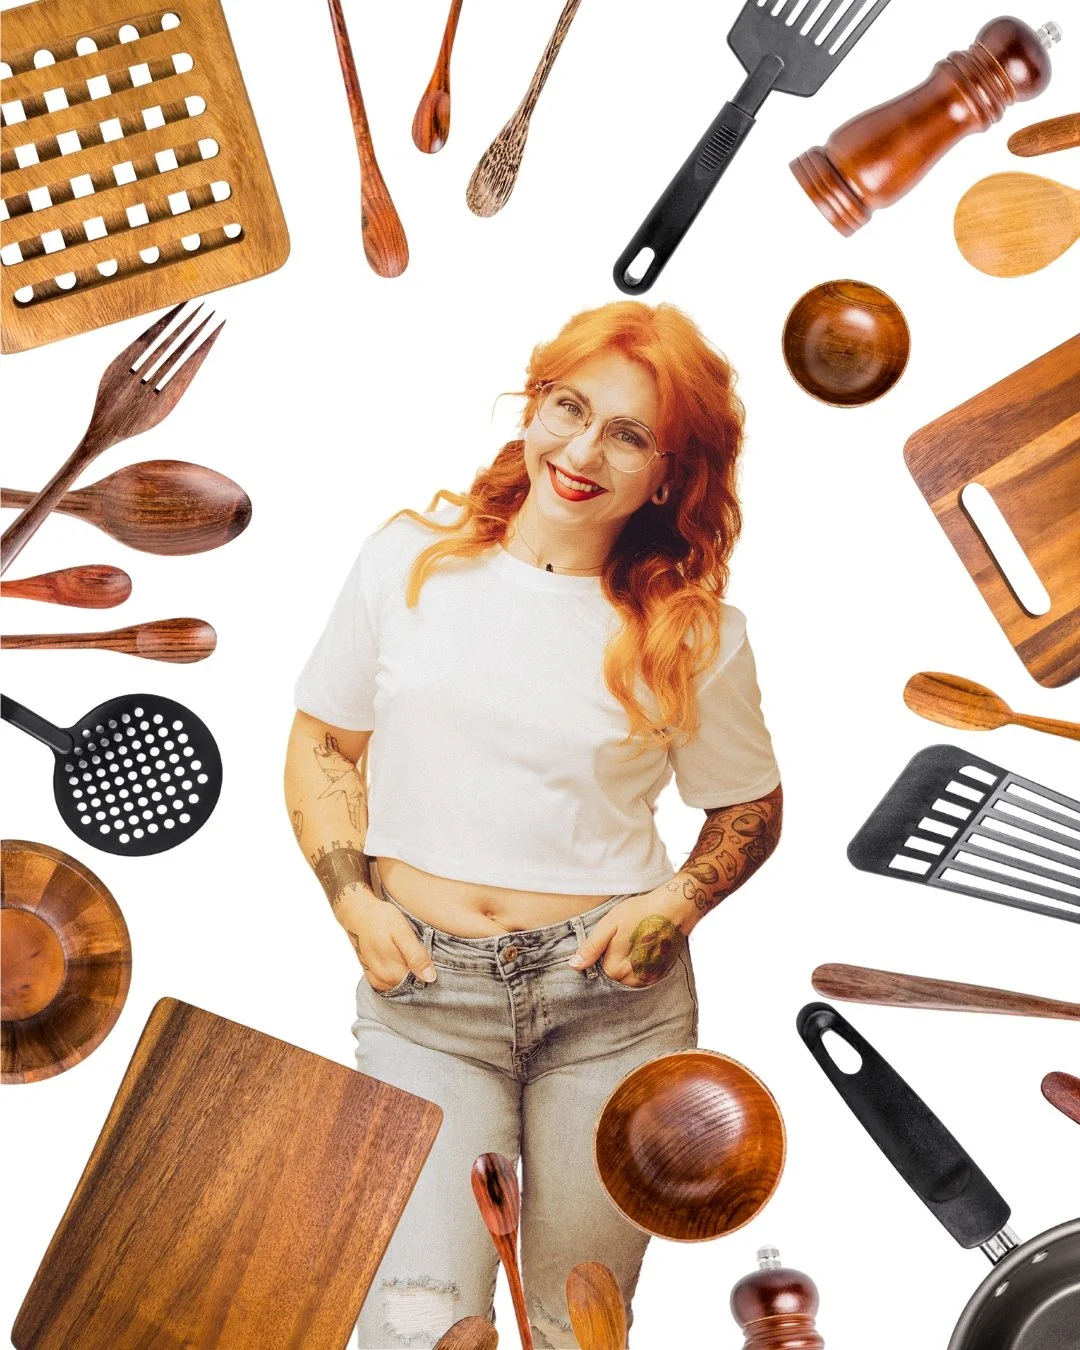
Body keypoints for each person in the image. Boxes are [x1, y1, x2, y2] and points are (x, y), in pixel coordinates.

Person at [285, 300, 782, 1349]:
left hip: (612, 1007)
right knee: (418, 1327)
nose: (583, 452)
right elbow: (326, 738)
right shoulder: (407, 561)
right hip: (425, 1000)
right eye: (570, 408)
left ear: (670, 477)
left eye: (630, 435)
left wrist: (678, 899)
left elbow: (747, 803)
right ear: (533, 404)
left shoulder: (696, 637)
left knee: (573, 1325)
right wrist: (349, 899)